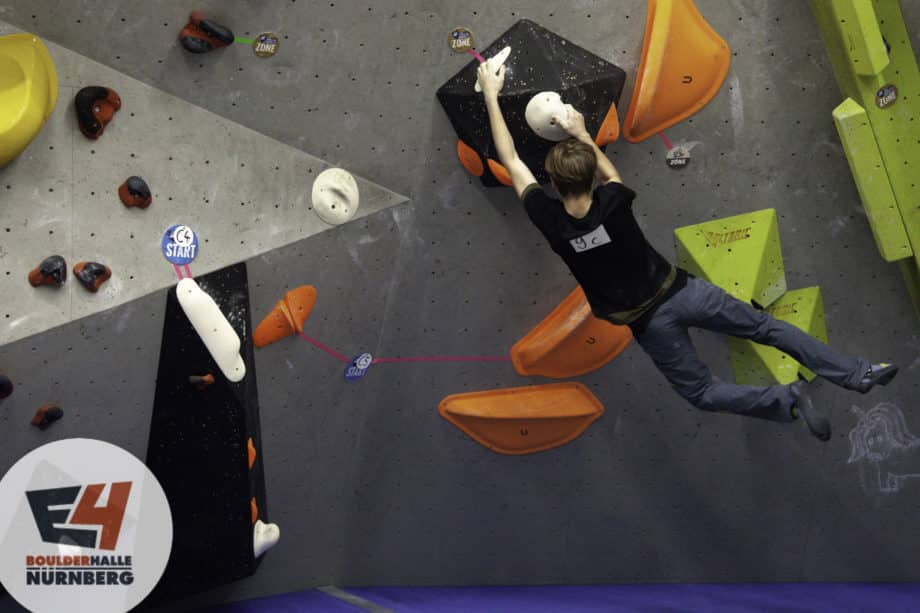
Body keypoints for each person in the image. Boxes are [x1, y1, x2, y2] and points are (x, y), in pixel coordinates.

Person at [477, 61, 899, 441]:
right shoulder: (614, 201)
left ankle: (786, 400)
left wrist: (491, 96)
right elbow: (610, 174)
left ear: (551, 183)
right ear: (591, 176)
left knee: (702, 391)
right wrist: (581, 133)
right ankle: (859, 372)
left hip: (650, 324)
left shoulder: (549, 220)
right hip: (686, 293)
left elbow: (511, 159)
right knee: (766, 329)